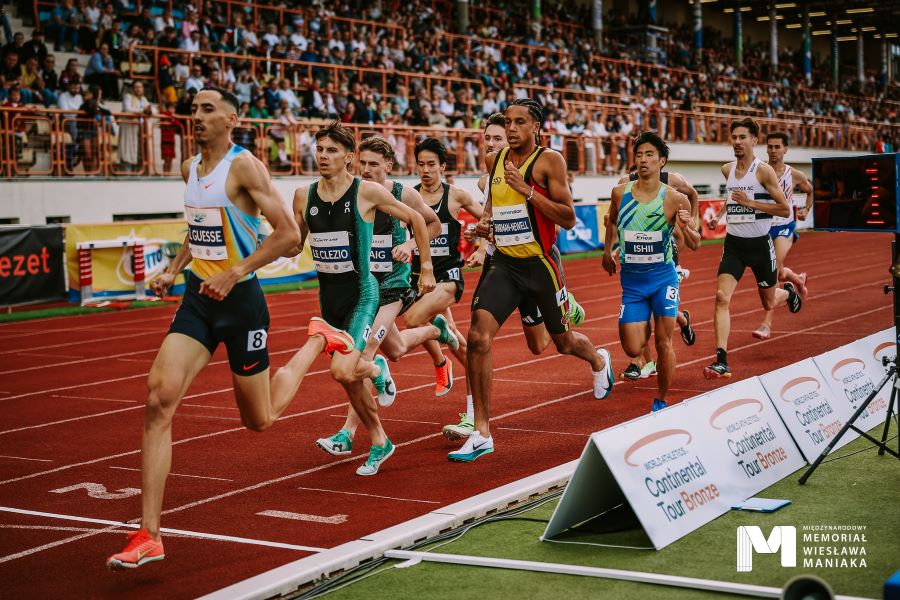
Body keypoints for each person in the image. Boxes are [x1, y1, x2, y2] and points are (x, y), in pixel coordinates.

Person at [106, 87, 339, 571]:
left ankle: (319, 340)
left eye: (208, 109)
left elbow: (289, 234)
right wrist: (173, 268)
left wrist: (238, 270)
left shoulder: (244, 166)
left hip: (242, 304)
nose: (197, 116)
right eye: (194, 109)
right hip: (198, 299)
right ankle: (150, 534)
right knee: (157, 399)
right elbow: (200, 226)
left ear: (232, 118)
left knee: (260, 419)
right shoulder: (189, 169)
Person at [454, 98, 613, 462]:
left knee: (562, 343)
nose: (511, 129)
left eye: (519, 122)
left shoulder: (549, 161)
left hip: (541, 264)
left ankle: (599, 360)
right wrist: (485, 227)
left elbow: (569, 218)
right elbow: (494, 208)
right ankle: (481, 432)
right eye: (508, 122)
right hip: (506, 265)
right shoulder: (494, 161)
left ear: (536, 127)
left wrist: (528, 191)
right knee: (478, 336)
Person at [292, 122, 437, 476]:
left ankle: (377, 369)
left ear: (347, 158)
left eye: (331, 150)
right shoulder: (303, 195)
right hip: (330, 298)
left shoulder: (366, 192)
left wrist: (427, 265)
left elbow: (419, 219)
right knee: (349, 378)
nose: (323, 156)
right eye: (320, 149)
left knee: (346, 368)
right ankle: (378, 440)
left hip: (364, 293)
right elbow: (296, 242)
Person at [315, 135, 458, 458]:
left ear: (388, 166)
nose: (366, 169)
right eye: (362, 163)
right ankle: (436, 329)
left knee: (364, 351)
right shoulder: (352, 192)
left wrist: (413, 250)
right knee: (395, 349)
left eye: (374, 165)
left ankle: (347, 433)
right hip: (363, 284)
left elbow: (432, 224)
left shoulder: (401, 193)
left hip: (394, 284)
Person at [602, 132, 700, 412]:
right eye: (640, 155)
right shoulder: (620, 192)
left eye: (649, 155)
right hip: (632, 283)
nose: (643, 160)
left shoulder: (674, 198)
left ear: (662, 161)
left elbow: (694, 244)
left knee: (663, 341)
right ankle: (639, 328)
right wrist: (607, 251)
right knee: (633, 349)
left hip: (662, 278)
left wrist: (686, 225)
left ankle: (661, 399)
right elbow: (610, 219)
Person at [704, 118, 802, 379]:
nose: (737, 141)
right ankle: (721, 359)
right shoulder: (727, 169)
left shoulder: (763, 172)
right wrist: (719, 216)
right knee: (721, 297)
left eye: (742, 137)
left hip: (760, 246)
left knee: (769, 301)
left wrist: (753, 204)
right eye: (734, 137)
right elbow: (731, 197)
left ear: (754, 141)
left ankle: (789, 293)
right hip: (734, 245)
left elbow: (783, 208)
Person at [407, 137, 483, 397]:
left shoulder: (457, 195)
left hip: (449, 274)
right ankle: (470, 378)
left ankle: (441, 364)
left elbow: (488, 219)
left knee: (414, 319)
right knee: (452, 337)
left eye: (431, 164)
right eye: (420, 165)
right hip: (419, 276)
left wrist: (480, 243)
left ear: (442, 166)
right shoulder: (410, 196)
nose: (425, 170)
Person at [615, 163, 698, 381]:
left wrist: (692, 220)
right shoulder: (625, 186)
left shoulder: (674, 181)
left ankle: (681, 320)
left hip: (665, 257)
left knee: (655, 309)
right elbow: (616, 220)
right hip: (635, 263)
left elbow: (693, 194)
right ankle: (642, 361)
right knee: (641, 312)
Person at [751, 131, 813, 340]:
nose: (773, 151)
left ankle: (766, 325)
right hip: (764, 228)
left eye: (778, 147)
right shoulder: (759, 171)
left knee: (772, 274)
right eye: (770, 146)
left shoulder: (794, 174)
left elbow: (810, 190)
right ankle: (797, 279)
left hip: (785, 227)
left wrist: (806, 209)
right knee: (776, 274)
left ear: (786, 149)